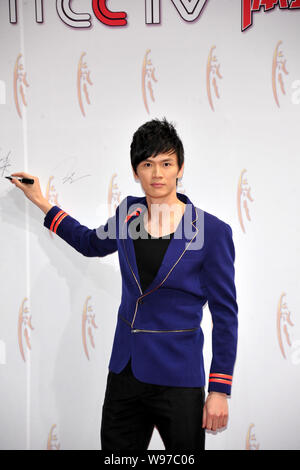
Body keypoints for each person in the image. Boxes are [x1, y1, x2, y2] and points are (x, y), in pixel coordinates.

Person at [9, 117, 238, 451]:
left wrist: (219, 390)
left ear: (180, 168)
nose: (157, 174)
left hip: (178, 378)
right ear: (135, 171)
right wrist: (41, 201)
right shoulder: (129, 215)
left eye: (166, 163)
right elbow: (90, 243)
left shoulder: (211, 232)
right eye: (147, 164)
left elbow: (225, 314)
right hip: (125, 374)